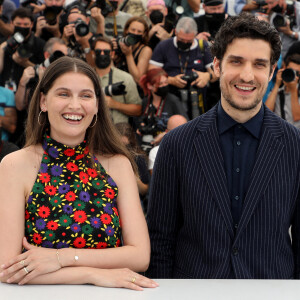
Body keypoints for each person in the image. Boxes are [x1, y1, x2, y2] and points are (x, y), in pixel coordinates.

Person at [146, 13, 300, 279]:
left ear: (272, 71)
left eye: (260, 64)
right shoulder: (176, 145)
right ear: (217, 66)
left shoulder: (295, 146)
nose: (247, 75)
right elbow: (160, 239)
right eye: (236, 61)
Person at [0, 56, 158, 290]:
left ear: (96, 105)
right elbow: (8, 267)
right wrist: (93, 274)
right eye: (63, 94)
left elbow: (140, 255)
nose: (75, 106)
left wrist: (59, 258)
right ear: (43, 101)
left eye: (85, 95)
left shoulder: (118, 164)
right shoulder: (15, 164)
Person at [149, 17, 216, 118]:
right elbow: (151, 73)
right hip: (171, 97)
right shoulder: (164, 46)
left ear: (195, 34)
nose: (184, 43)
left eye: (188, 41)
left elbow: (217, 73)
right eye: (181, 40)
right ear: (175, 32)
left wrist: (207, 76)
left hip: (197, 98)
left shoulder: (203, 46)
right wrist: (170, 80)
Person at [137, 67, 188, 152]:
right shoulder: (146, 101)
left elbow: (185, 125)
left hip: (169, 145)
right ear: (150, 86)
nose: (164, 86)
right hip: (148, 145)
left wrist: (165, 134)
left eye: (166, 82)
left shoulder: (173, 100)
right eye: (160, 84)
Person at [93, 36, 142, 124]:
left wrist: (115, 104)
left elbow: (138, 110)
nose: (102, 54)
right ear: (93, 53)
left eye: (106, 52)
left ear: (112, 54)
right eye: (98, 51)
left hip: (118, 132)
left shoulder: (125, 78)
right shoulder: (86, 77)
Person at [265, 53, 300, 129]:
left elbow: (297, 117)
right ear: (284, 69)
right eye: (290, 70)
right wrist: (277, 85)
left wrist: (294, 90)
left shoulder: (298, 93)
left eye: (296, 73)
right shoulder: (277, 91)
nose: (293, 74)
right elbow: (267, 112)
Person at [116, 16, 152, 85]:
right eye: (133, 30)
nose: (135, 33)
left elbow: (138, 79)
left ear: (144, 34)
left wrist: (128, 55)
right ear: (126, 30)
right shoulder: (120, 43)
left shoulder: (145, 50)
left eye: (139, 31)